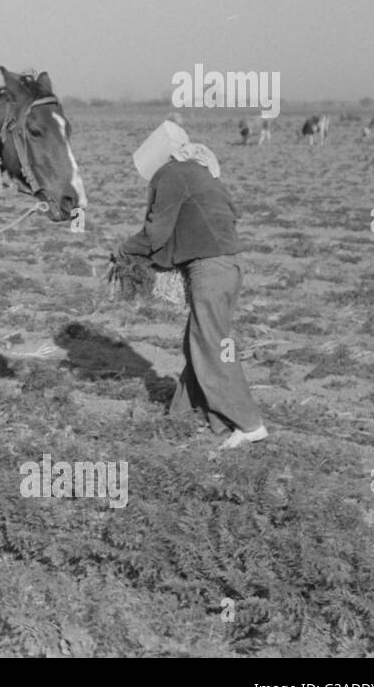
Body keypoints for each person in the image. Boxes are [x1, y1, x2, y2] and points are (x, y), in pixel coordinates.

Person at [112, 120, 268, 450]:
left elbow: (155, 232)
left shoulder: (171, 174)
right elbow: (226, 215)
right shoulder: (201, 171)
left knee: (210, 345)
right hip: (231, 264)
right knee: (199, 342)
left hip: (210, 268)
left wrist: (124, 252)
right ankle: (184, 415)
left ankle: (249, 423)